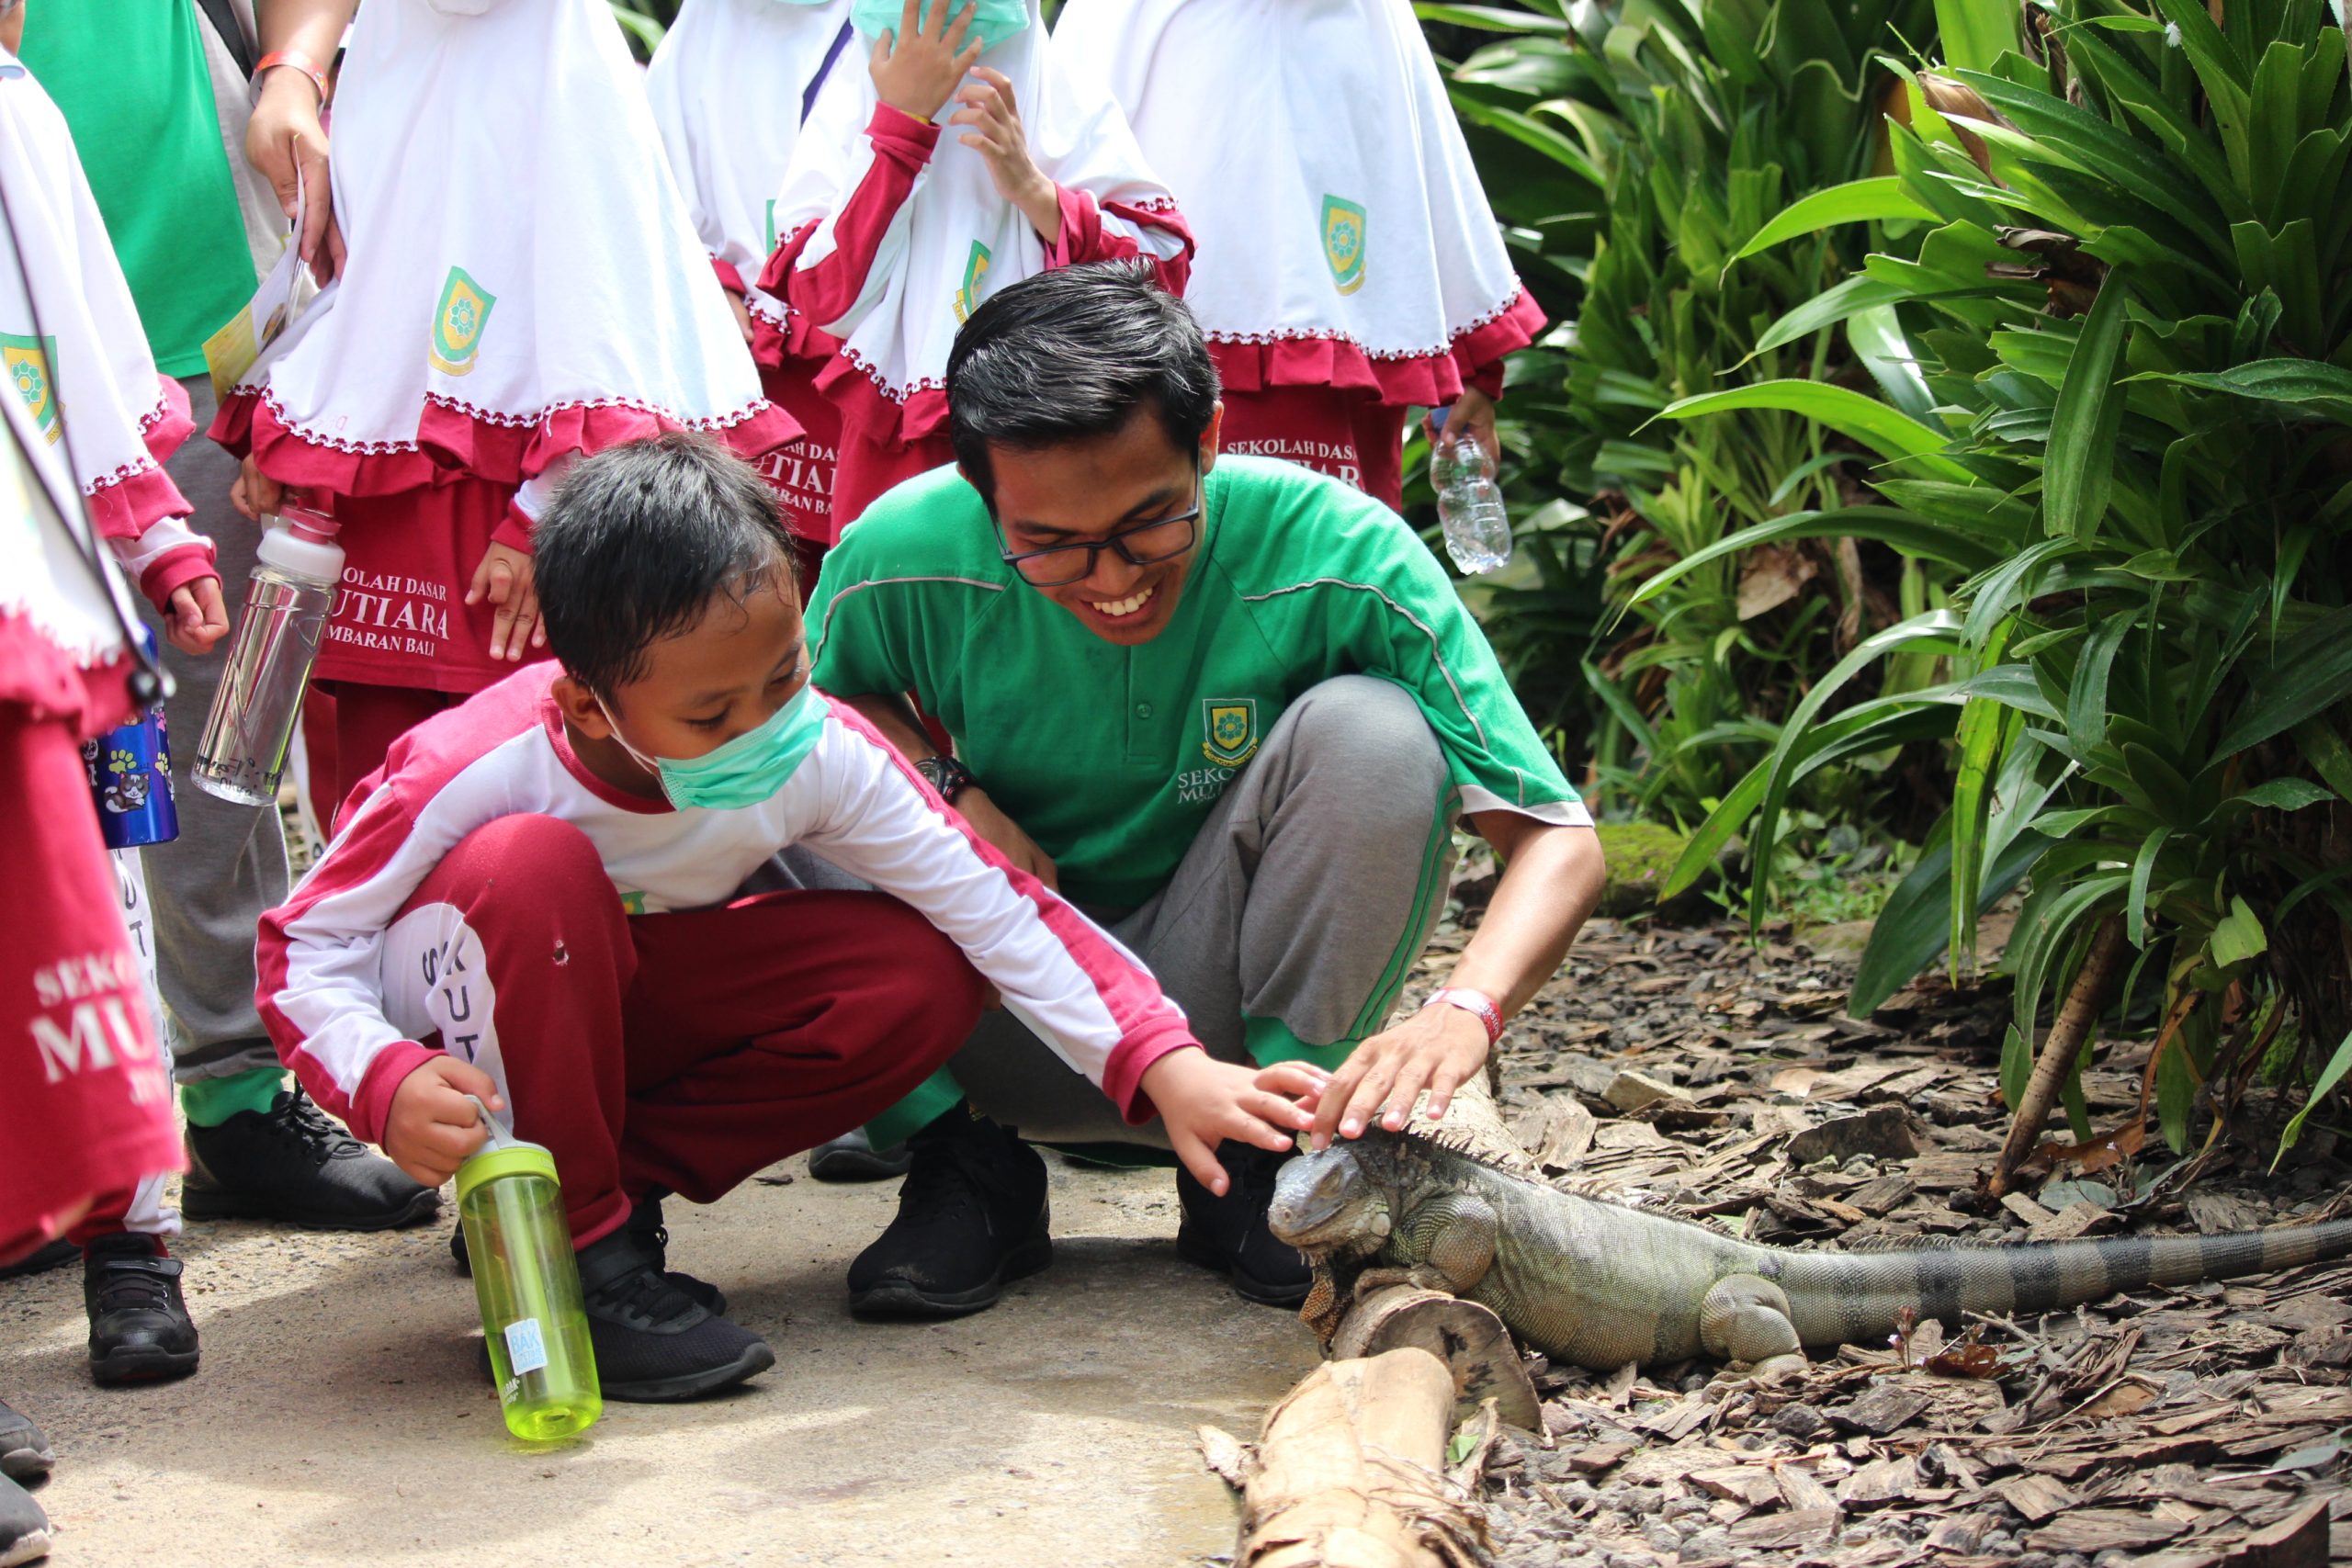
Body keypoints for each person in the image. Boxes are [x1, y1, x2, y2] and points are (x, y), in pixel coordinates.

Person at [252, 432, 1323, 1400]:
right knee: (534, 867)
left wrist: (1160, 1058)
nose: (763, 727)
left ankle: (595, 1187)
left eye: (783, 676)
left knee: (919, 974)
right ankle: (583, 1266)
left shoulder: (815, 748)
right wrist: (380, 1081)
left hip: (622, 1011)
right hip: (467, 1031)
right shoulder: (472, 767)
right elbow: (304, 949)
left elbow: (995, 906)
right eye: (710, 714)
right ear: (587, 704)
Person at [808, 263, 1605, 1314]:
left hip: (1221, 1011)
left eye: (1150, 520)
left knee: (1378, 732)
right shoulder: (894, 557)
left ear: (1212, 440)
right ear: (979, 491)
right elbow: (797, 724)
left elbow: (1557, 837)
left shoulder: (1339, 547)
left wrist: (1463, 1013)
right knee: (812, 777)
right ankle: (962, 1164)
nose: (1109, 578)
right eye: (1047, 544)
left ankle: (1271, 1154)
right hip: (999, 1016)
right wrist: (942, 779)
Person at [16, 0, 438, 1240]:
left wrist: (292, 65)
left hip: (185, 315)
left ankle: (237, 1097)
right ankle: (34, 1159)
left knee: (214, 741)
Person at [214, 0, 799, 825]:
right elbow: (374, 275)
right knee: (379, 809)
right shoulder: (384, 35)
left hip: (524, 510)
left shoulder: (562, 38)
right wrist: (298, 425)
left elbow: (603, 284)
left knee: (534, 801)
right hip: (387, 481)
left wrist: (549, 503)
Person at [2, 16, 198, 1550]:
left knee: (100, 929)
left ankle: (136, 1243)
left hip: (61, 613)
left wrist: (165, 544)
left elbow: (86, 346)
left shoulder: (22, 119)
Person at [1051, 0, 1544, 508]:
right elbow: (1058, 177)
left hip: (1341, 358)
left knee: (1328, 560)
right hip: (1161, 355)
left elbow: (1423, 169)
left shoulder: (1369, 13)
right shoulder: (1118, 12)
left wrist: (1471, 372)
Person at [757, 0, 1191, 532]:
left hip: (1053, 435)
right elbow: (823, 293)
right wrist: (898, 129)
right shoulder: (852, 101)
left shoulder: (1064, 101)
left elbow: (1159, 279)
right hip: (900, 453)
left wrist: (1034, 191)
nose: (944, 24)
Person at [646, 0, 857, 570]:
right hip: (725, 352)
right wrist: (704, 273)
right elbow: (646, 172)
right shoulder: (704, 23)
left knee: (844, 570)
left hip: (847, 347)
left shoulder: (888, 19)